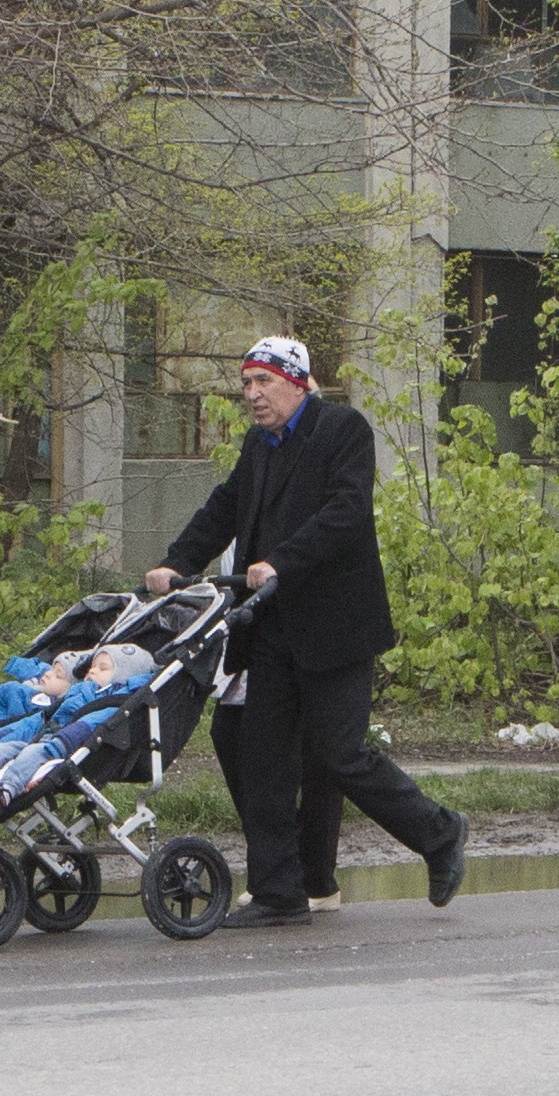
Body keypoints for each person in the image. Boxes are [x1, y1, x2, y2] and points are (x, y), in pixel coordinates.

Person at [144, 333, 468, 927]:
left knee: (340, 756)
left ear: (296, 381)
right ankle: (280, 892)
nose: (251, 394)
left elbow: (345, 513)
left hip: (336, 626)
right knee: (260, 753)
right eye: (245, 384)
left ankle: (440, 833)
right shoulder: (259, 445)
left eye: (262, 382)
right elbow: (224, 506)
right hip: (272, 628)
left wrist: (282, 562)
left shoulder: (343, 431)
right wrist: (177, 562)